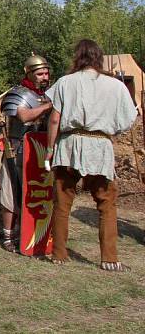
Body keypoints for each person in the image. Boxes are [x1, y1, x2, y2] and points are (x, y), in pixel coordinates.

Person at [45, 39, 138, 271]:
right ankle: (109, 258)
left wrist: (49, 148)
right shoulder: (116, 86)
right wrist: (110, 129)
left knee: (63, 202)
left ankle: (59, 254)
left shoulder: (65, 82)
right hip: (99, 146)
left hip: (70, 145)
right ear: (99, 58)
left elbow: (55, 118)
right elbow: (129, 118)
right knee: (107, 204)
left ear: (78, 57)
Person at [0, 53, 53, 252]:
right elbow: (24, 116)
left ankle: (29, 233)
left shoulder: (47, 96)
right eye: (40, 74)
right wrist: (49, 107)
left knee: (37, 194)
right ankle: (8, 236)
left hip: (41, 153)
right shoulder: (17, 93)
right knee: (11, 193)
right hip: (18, 149)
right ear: (29, 74)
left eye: (46, 73)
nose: (45, 77)